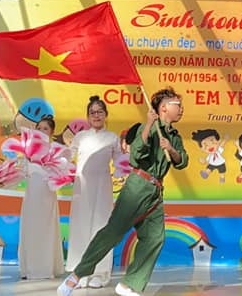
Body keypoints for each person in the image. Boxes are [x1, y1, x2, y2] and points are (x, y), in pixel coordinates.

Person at [58, 87, 189, 296]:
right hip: (138, 186)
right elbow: (136, 155)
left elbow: (182, 162)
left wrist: (171, 149)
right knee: (113, 232)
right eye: (178, 105)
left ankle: (129, 284)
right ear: (164, 108)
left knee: (155, 238)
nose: (181, 109)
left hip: (155, 191)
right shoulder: (145, 128)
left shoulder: (174, 136)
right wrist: (149, 124)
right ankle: (77, 275)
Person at [65, 96, 120, 288]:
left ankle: (100, 273)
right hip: (82, 187)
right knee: (80, 227)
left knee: (101, 228)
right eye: (92, 113)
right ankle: (79, 273)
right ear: (88, 116)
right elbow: (67, 157)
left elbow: (120, 163)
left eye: (100, 112)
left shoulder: (112, 138)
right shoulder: (80, 137)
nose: (96, 115)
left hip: (102, 187)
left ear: (106, 115)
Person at [18, 116, 65, 280]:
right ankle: (28, 269)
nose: (42, 131)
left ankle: (45, 269)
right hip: (32, 196)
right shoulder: (28, 151)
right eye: (39, 128)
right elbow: (21, 171)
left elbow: (61, 172)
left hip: (47, 196)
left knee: (46, 230)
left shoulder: (55, 150)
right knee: (31, 229)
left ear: (52, 132)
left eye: (46, 128)